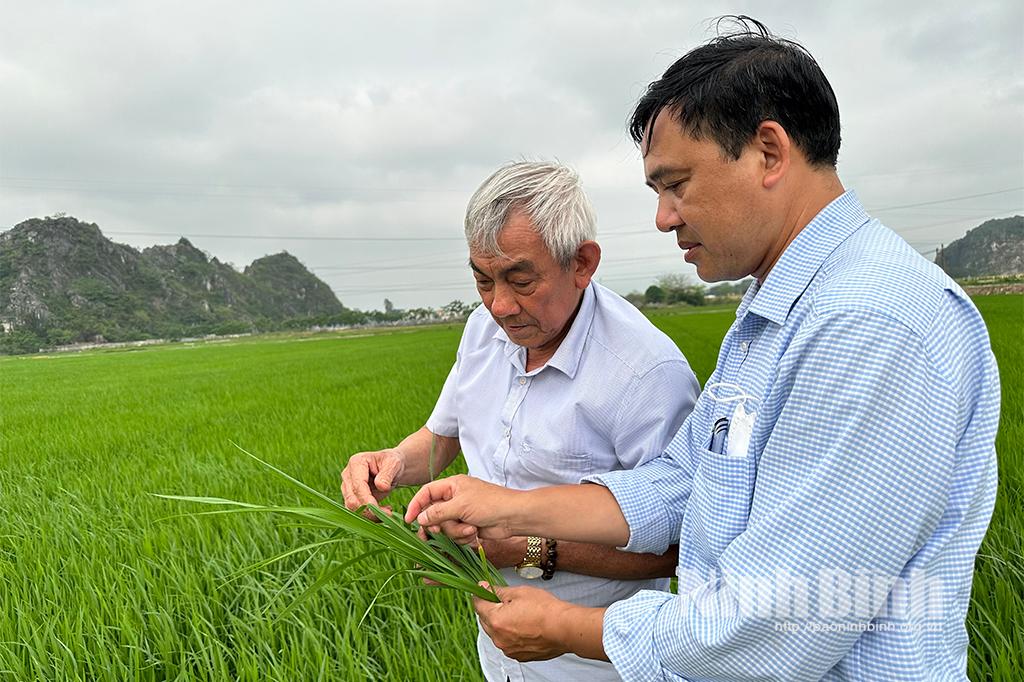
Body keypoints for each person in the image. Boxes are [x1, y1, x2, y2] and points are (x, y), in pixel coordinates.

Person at [406, 17, 1000, 681]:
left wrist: (567, 626)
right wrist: (502, 504)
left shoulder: (869, 325)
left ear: (768, 153)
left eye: (676, 184)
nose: (663, 216)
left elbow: (782, 620)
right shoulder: (772, 316)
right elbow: (677, 486)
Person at [341, 161, 700, 682]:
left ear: (582, 263)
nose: (501, 306)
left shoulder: (646, 374)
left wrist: (522, 549)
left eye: (521, 280)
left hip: (592, 666)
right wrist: (391, 462)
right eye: (483, 281)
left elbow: (676, 549)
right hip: (498, 653)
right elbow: (441, 439)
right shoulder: (482, 331)